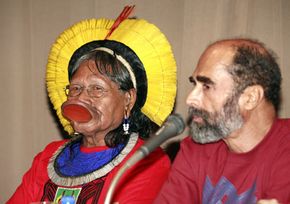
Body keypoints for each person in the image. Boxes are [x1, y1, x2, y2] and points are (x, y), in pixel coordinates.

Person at [7, 6, 177, 204]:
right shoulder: (47, 157)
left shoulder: (145, 162)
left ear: (128, 99)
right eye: (75, 88)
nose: (81, 98)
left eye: (97, 89)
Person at [154, 38, 290, 204]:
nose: (190, 99)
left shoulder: (285, 148)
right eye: (194, 85)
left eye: (207, 86)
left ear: (250, 98)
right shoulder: (195, 150)